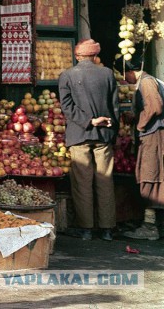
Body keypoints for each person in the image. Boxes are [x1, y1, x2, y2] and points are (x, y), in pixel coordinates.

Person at [58, 38, 119, 241]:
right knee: (105, 180)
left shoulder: (67, 75)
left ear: (77, 56)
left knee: (82, 182)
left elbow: (67, 108)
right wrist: (110, 125)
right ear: (95, 56)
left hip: (80, 134)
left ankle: (86, 229)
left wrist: (90, 121)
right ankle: (108, 229)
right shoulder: (107, 73)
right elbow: (115, 105)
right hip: (104, 134)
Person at [119, 56, 164, 240]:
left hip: (154, 136)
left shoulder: (146, 82)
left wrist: (139, 125)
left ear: (130, 72)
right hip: (154, 134)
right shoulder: (150, 81)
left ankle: (150, 226)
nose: (124, 80)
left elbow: (155, 107)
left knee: (150, 175)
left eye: (124, 75)